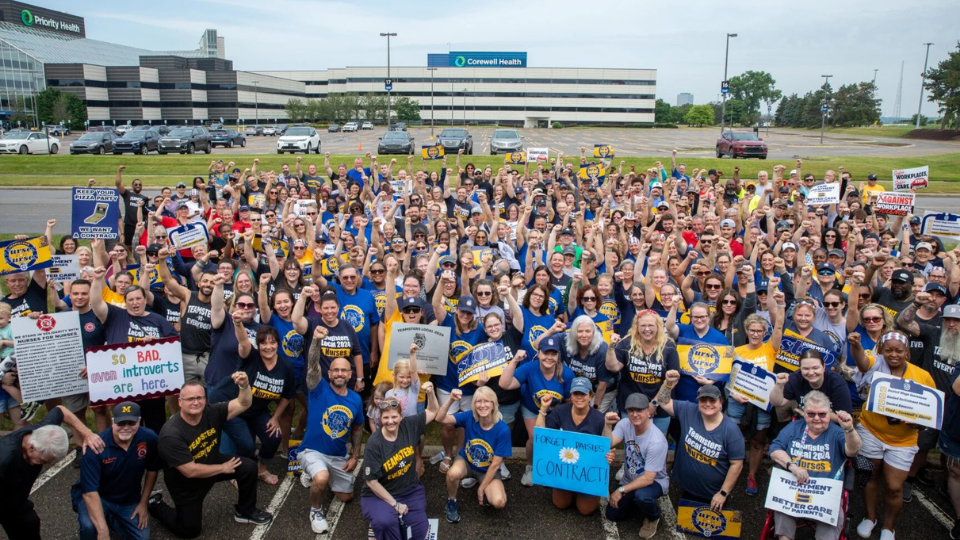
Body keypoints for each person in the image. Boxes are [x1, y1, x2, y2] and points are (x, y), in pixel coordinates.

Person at [149, 375, 273, 538]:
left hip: (211, 462)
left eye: (199, 398)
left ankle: (245, 511)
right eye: (190, 399)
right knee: (189, 531)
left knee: (248, 467)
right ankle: (155, 505)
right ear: (180, 402)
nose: (196, 402)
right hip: (186, 484)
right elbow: (190, 471)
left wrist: (244, 386)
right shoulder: (171, 434)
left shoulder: (212, 412)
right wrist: (222, 468)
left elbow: (244, 403)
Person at [850, 330, 936, 540]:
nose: (894, 355)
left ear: (907, 352)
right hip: (870, 431)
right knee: (870, 476)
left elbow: (931, 412)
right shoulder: (876, 364)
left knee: (895, 487)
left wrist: (919, 423)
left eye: (899, 350)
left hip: (903, 440)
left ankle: (889, 527)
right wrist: (856, 345)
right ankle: (870, 517)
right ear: (881, 351)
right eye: (888, 350)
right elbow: (862, 362)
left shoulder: (922, 376)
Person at [0, 405, 104, 540]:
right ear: (31, 448)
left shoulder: (44, 431)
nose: (47, 465)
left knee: (30, 524)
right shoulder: (4, 458)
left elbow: (61, 410)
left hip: (16, 499)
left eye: (50, 461)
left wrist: (87, 434)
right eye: (42, 460)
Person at [768, 391, 861, 540]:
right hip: (794, 489)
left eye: (822, 414)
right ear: (804, 414)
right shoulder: (794, 427)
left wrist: (849, 429)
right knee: (782, 516)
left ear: (829, 414)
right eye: (811, 414)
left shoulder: (837, 432)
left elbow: (853, 451)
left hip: (826, 494)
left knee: (831, 524)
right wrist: (793, 466)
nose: (817, 418)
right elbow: (774, 449)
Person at [300, 337, 365, 534]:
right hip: (311, 450)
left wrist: (354, 456)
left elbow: (358, 427)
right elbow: (312, 365)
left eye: (344, 370)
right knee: (321, 477)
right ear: (329, 373)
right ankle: (316, 511)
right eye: (335, 370)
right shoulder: (318, 388)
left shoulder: (355, 399)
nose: (339, 373)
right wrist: (316, 341)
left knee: (347, 497)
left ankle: (320, 473)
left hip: (337, 455)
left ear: (350, 374)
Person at [360, 379, 440, 540]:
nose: (390, 421)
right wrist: (395, 505)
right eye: (386, 417)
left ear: (401, 416)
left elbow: (433, 410)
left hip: (409, 490)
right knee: (385, 523)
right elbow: (371, 482)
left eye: (394, 417)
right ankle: (376, 525)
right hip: (379, 494)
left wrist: (430, 392)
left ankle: (387, 520)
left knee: (419, 533)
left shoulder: (410, 426)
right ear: (380, 419)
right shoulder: (374, 443)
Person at [655, 369, 745, 509]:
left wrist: (723, 493)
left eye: (712, 400)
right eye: (703, 400)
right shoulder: (688, 410)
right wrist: (667, 383)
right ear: (698, 401)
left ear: (720, 402)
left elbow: (737, 464)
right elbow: (663, 401)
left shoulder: (731, 431)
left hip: (715, 496)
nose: (708, 404)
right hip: (687, 489)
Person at [72, 402, 161, 540]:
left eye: (131, 423)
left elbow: (153, 469)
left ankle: (111, 520)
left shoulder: (149, 438)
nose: (126, 427)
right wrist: (103, 532)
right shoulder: (95, 448)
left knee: (142, 537)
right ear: (113, 422)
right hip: (99, 497)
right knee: (90, 527)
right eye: (121, 423)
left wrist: (143, 504)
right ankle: (104, 522)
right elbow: (89, 492)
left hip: (128, 499)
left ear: (139, 421)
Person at [499, 335, 574, 487]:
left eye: (553, 354)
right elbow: (505, 384)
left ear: (558, 355)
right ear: (538, 353)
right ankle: (530, 466)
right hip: (532, 408)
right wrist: (514, 361)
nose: (549, 357)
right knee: (535, 437)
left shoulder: (566, 373)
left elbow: (569, 401)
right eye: (546, 353)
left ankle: (552, 467)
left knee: (556, 438)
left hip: (556, 411)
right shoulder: (530, 368)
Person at [437, 386, 511, 524]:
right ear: (474, 404)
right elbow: (441, 418)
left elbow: (495, 465)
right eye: (478, 401)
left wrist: (481, 490)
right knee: (452, 473)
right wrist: (451, 400)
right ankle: (451, 501)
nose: (482, 405)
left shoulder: (502, 430)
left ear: (494, 404)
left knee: (499, 502)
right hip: (467, 462)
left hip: (487, 469)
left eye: (486, 401)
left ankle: (484, 487)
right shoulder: (469, 416)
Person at [535, 377, 607, 515]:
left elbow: (604, 446)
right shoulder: (560, 411)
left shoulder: (598, 418)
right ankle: (566, 488)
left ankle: (589, 493)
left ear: (590, 396)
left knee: (585, 510)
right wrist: (543, 408)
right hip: (563, 468)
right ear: (571, 395)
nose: (579, 397)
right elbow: (542, 436)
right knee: (561, 504)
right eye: (576, 393)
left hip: (586, 471)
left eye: (583, 394)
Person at [603, 393, 670, 539]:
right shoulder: (624, 424)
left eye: (639, 410)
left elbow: (648, 479)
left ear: (648, 411)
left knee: (642, 496)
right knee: (612, 514)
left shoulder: (656, 441)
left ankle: (653, 517)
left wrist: (621, 490)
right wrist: (607, 425)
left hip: (654, 481)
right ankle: (634, 500)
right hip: (631, 479)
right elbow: (607, 444)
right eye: (631, 410)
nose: (635, 414)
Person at [607, 310, 680, 434]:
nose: (647, 329)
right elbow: (613, 367)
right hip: (631, 404)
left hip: (660, 405)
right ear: (636, 326)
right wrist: (610, 348)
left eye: (651, 325)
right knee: (632, 441)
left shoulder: (668, 346)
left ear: (658, 326)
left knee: (658, 441)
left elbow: (673, 380)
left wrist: (654, 404)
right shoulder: (626, 343)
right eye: (643, 325)